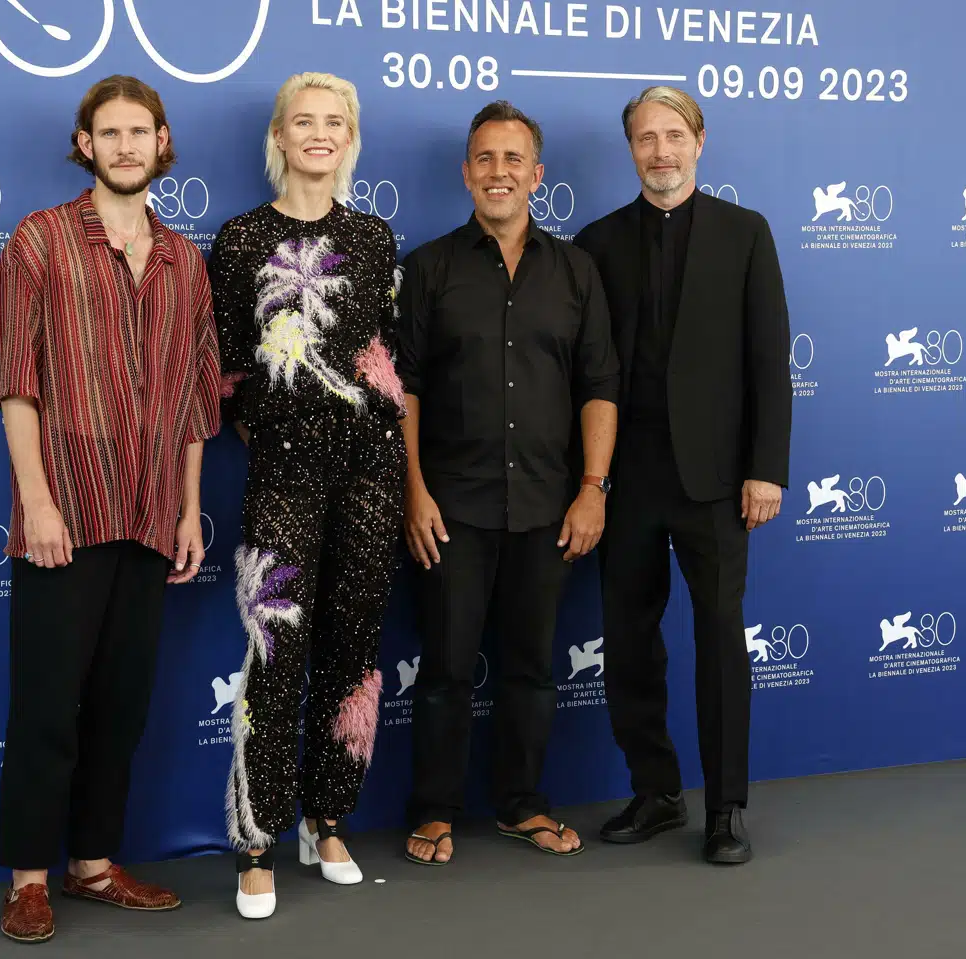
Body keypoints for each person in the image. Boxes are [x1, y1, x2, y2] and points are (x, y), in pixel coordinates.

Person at [0, 75, 221, 942]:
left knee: (122, 703)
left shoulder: (184, 259)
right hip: (66, 514)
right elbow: (15, 382)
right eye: (108, 133)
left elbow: (198, 398)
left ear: (163, 143)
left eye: (140, 132)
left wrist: (190, 509)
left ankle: (92, 864)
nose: (125, 147)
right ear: (85, 144)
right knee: (47, 704)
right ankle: (30, 878)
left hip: (155, 513)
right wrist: (36, 501)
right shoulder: (39, 242)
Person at [397, 101, 620, 866]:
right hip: (450, 504)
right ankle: (433, 810)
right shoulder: (427, 268)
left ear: (537, 174)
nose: (499, 172)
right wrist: (413, 490)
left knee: (531, 664)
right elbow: (407, 389)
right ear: (466, 173)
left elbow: (599, 384)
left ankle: (521, 803)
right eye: (484, 159)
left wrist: (593, 487)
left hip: (548, 505)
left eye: (513, 159)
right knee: (447, 666)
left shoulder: (576, 271)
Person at [572, 86, 792, 865]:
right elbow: (586, 371)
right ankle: (656, 791)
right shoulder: (595, 242)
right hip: (625, 480)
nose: (659, 152)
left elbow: (770, 361)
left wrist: (766, 469)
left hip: (718, 481)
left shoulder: (746, 233)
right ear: (629, 148)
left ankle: (726, 807)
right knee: (629, 642)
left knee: (719, 642)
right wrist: (588, 481)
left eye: (673, 136)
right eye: (644, 139)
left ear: (700, 140)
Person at [209, 73, 405, 920]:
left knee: (354, 644)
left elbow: (385, 361)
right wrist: (283, 430)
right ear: (280, 138)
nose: (318, 134)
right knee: (275, 650)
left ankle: (328, 818)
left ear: (350, 138)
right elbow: (228, 366)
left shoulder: (373, 235)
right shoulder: (241, 236)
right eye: (304, 122)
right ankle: (258, 837)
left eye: (335, 123)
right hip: (284, 471)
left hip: (371, 470)